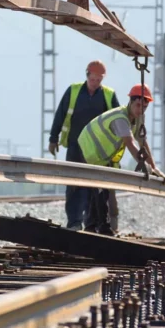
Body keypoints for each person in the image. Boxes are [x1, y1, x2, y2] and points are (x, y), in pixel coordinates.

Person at [77, 83, 165, 235]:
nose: (141, 110)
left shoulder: (137, 119)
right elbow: (130, 143)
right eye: (138, 105)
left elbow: (142, 142)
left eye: (144, 107)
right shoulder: (121, 118)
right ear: (130, 102)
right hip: (89, 149)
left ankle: (91, 226)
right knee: (101, 189)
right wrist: (144, 165)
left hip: (99, 155)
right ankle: (104, 228)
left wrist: (153, 166)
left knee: (98, 189)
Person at [48, 60, 119, 230]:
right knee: (74, 186)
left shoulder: (108, 95)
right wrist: (53, 138)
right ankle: (74, 221)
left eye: (99, 80)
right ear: (87, 76)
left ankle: (90, 223)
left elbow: (119, 120)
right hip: (75, 147)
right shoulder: (73, 91)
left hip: (97, 152)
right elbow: (60, 114)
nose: (95, 83)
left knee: (94, 188)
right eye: (93, 79)